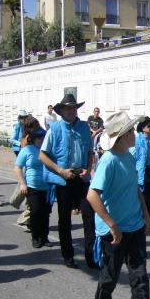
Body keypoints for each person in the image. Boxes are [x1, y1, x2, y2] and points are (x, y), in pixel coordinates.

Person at [87, 111, 150, 299]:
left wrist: (146, 218)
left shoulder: (129, 157)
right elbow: (92, 196)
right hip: (113, 231)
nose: (135, 134)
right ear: (122, 136)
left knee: (140, 278)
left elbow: (136, 190)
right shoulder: (109, 161)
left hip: (135, 226)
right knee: (110, 275)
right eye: (131, 131)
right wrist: (111, 225)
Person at [39, 93, 97, 269]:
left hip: (81, 178)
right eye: (68, 108)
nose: (71, 110)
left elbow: (89, 151)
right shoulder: (54, 129)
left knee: (89, 217)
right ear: (61, 111)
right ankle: (68, 255)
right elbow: (42, 155)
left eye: (74, 107)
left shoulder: (83, 127)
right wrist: (61, 171)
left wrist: (88, 167)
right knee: (65, 219)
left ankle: (91, 256)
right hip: (64, 179)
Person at [15, 116, 52, 249]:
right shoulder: (27, 150)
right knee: (35, 213)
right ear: (34, 139)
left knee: (46, 213)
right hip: (33, 186)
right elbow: (18, 167)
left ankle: (45, 237)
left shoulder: (47, 151)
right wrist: (22, 183)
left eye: (43, 138)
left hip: (47, 187)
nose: (42, 140)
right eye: (39, 138)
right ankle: (36, 237)